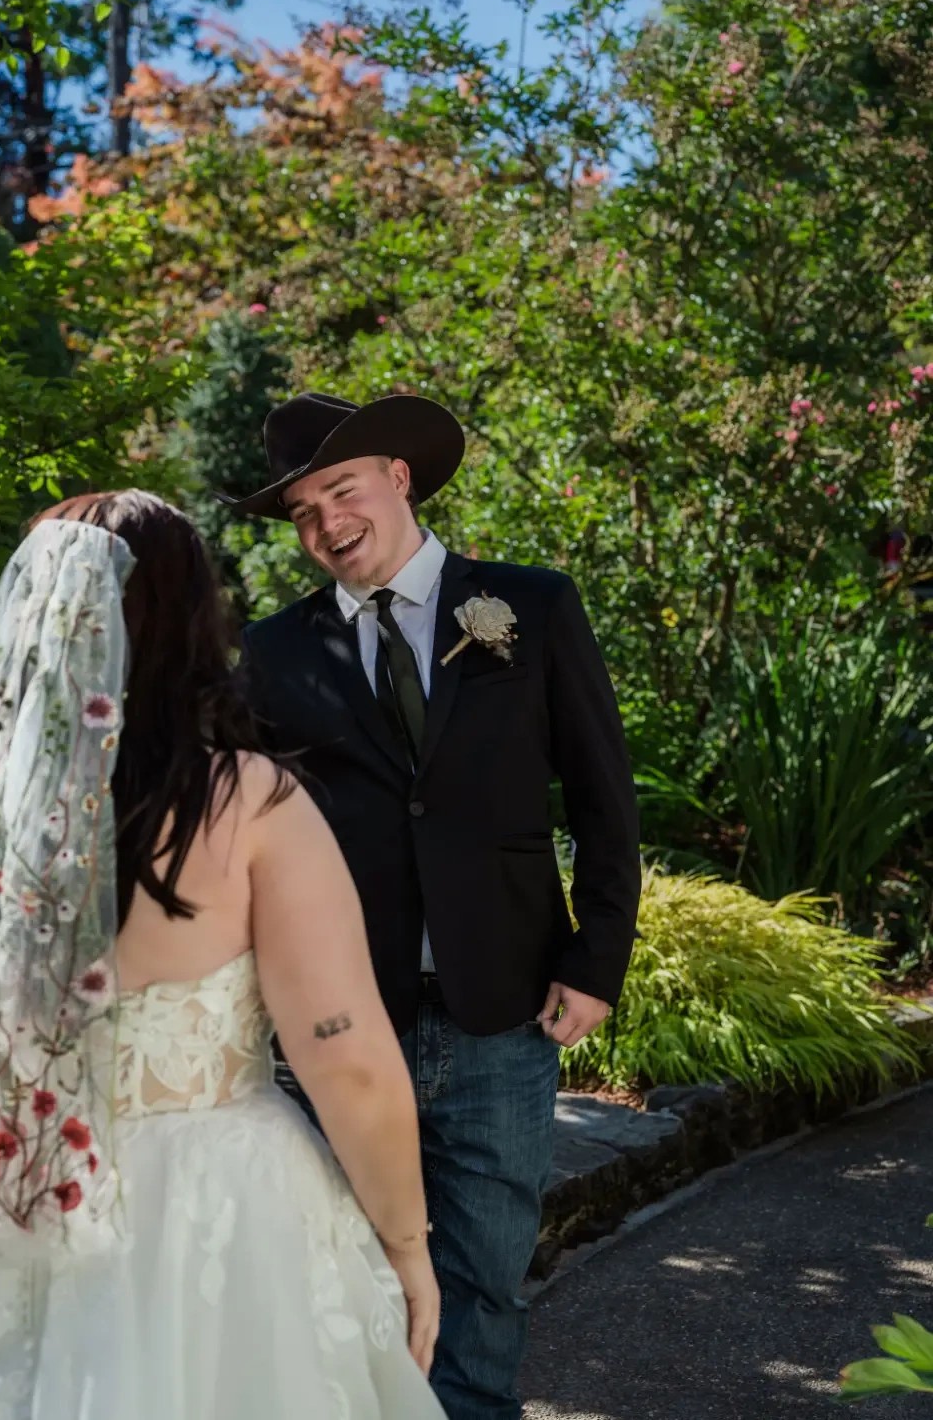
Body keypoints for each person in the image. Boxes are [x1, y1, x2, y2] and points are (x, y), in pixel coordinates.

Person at [0, 489, 447, 1420]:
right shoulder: (248, 803)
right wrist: (408, 1248)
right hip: (220, 1210)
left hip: (13, 1192)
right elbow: (346, 1056)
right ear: (186, 621)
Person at [228, 392, 641, 1419]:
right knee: (340, 1284)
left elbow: (602, 794)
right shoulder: (274, 654)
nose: (325, 523)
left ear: (398, 477)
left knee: (485, 1283)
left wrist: (596, 962)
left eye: (340, 489)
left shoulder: (528, 608)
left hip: (496, 1011)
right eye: (302, 514)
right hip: (336, 1021)